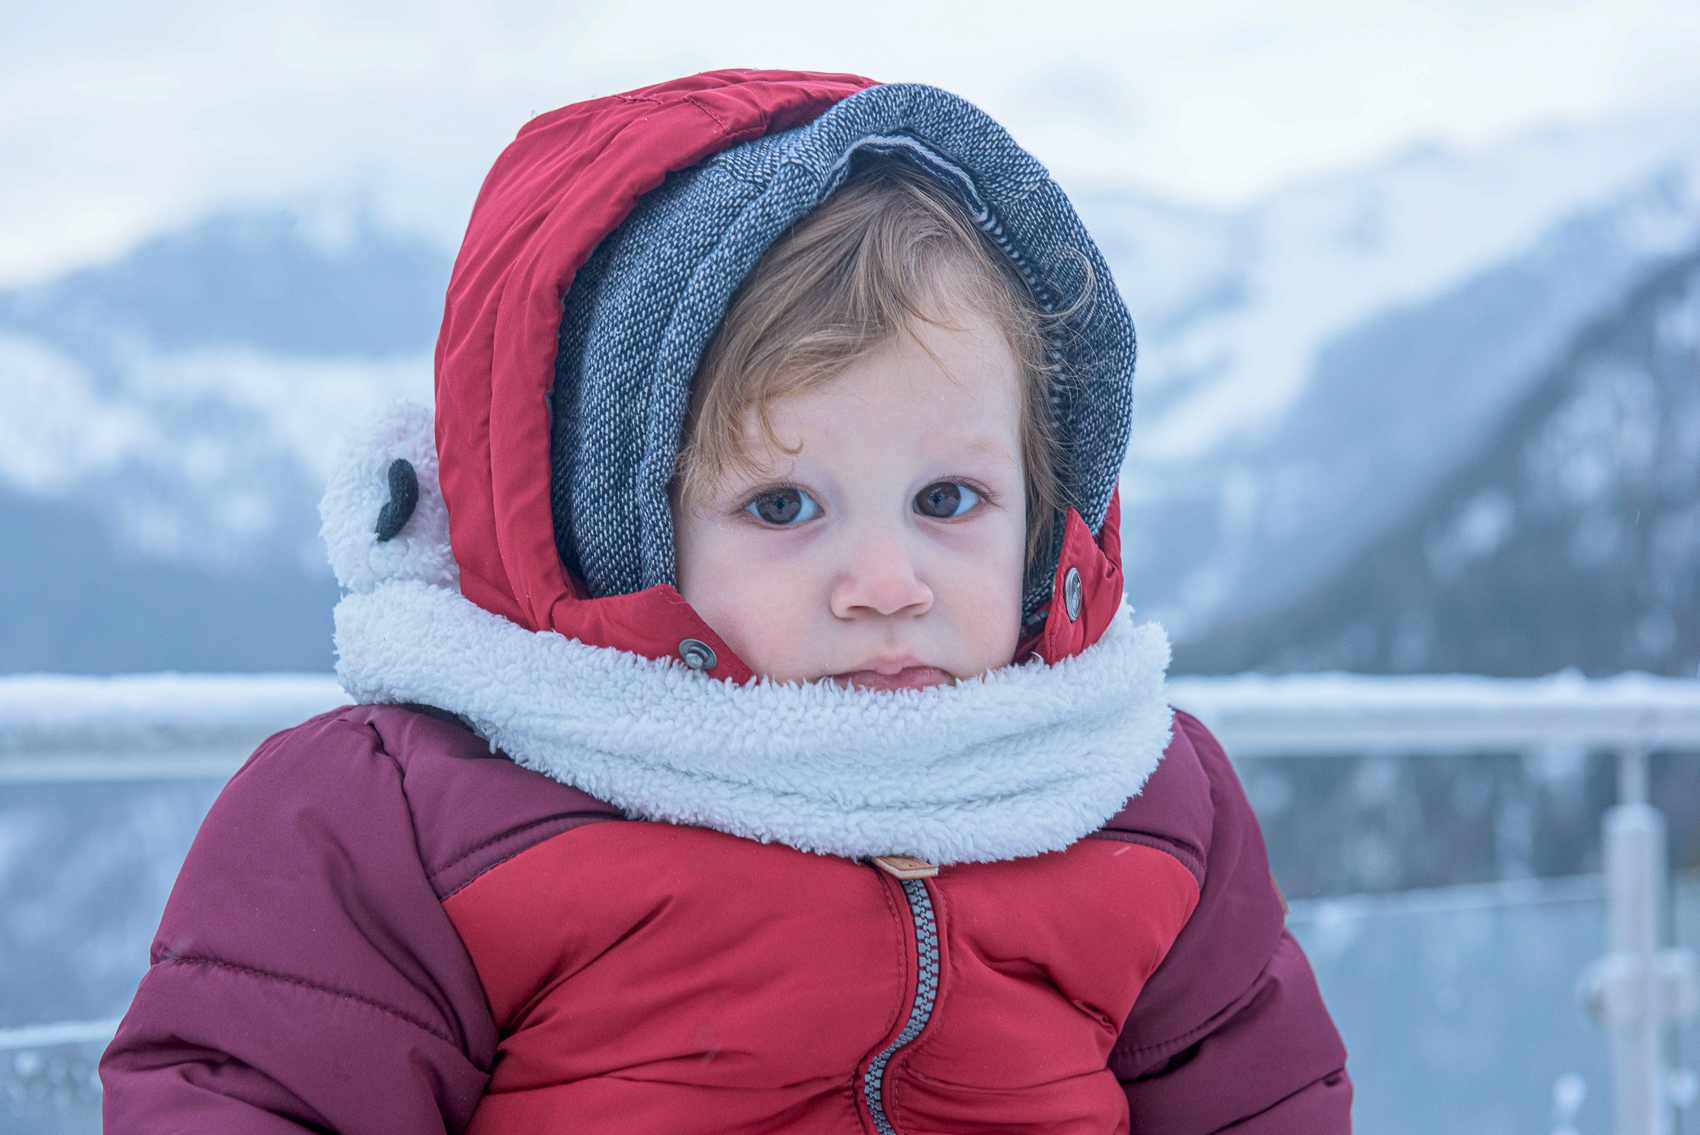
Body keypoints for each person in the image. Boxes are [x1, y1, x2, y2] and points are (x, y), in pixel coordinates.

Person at [100, 70, 1350, 1133]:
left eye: (950, 498)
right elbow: (247, 1093)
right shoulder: (412, 812)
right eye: (784, 507)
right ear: (622, 531)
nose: (885, 584)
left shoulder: (1132, 795)